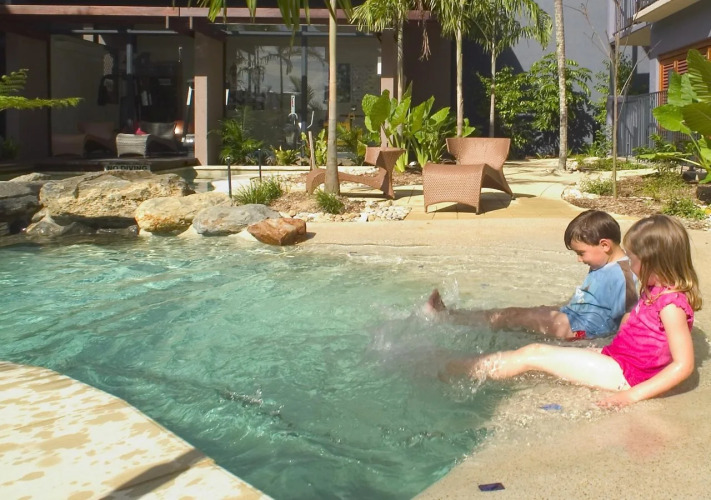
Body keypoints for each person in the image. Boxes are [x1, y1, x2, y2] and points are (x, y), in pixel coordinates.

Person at [441, 214, 702, 408]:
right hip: (619, 359)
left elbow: (684, 365)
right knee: (540, 351)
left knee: (534, 353)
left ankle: (455, 368)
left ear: (655, 261)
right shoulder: (656, 289)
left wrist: (632, 395)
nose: (628, 262)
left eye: (632, 258)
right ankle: (462, 363)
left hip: (627, 375)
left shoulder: (671, 305)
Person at [426, 210, 638, 340]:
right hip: (573, 318)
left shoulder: (622, 275)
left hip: (581, 331)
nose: (579, 260)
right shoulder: (604, 263)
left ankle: (450, 319)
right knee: (523, 313)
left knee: (513, 316)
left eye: (581, 253)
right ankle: (456, 315)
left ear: (604, 245)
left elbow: (631, 316)